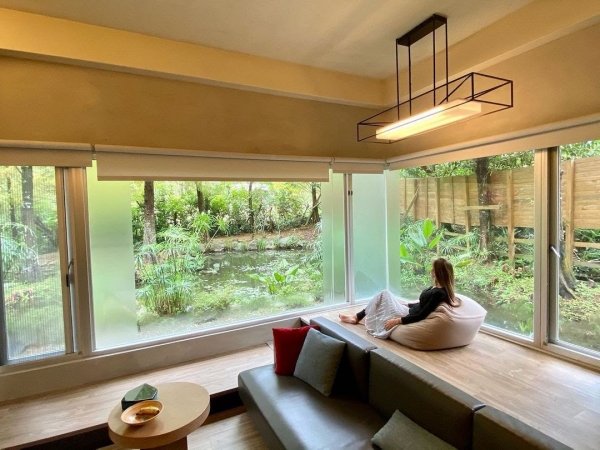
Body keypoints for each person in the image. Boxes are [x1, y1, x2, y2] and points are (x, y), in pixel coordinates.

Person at [339, 258, 461, 339]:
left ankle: (356, 317)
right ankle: (357, 317)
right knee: (383, 295)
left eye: (433, 269)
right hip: (407, 310)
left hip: (406, 315)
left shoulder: (439, 293)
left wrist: (397, 321)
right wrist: (407, 304)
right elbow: (422, 304)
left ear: (437, 272)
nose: (431, 270)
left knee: (384, 294)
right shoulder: (435, 288)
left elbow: (421, 315)